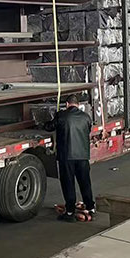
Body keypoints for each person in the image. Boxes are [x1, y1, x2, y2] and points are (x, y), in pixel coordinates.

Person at [45, 94, 95, 222]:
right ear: (78, 105)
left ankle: (70, 212)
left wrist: (47, 121)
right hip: (83, 156)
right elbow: (88, 130)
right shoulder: (86, 117)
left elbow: (49, 127)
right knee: (85, 182)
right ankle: (90, 207)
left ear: (67, 104)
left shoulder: (62, 116)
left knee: (68, 184)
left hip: (67, 156)